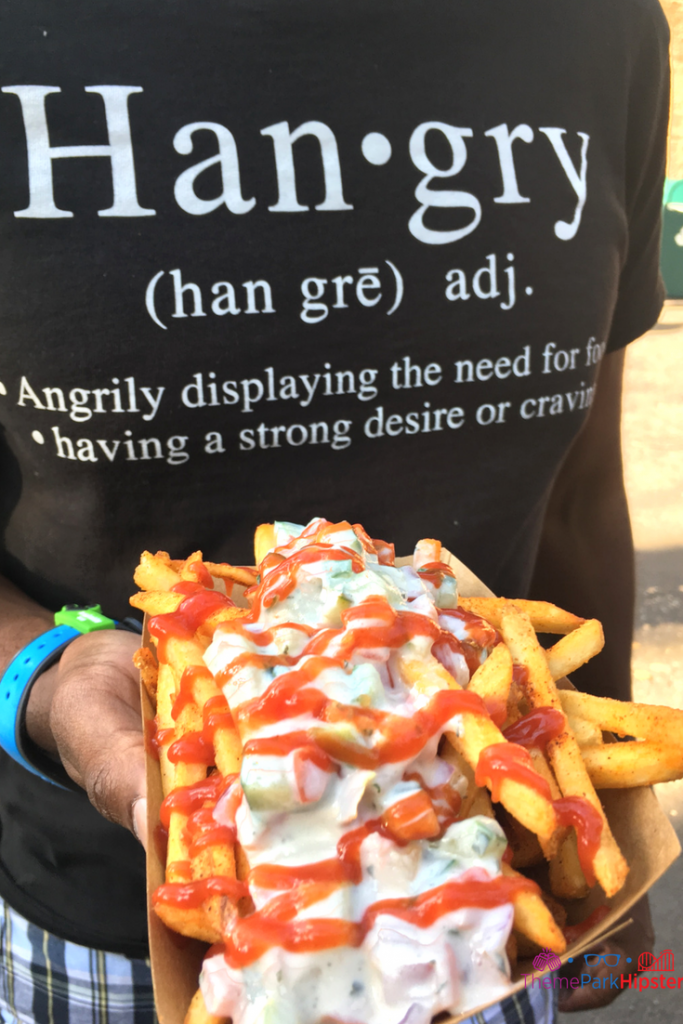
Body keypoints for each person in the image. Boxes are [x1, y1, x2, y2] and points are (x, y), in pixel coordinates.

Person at [0, 1, 670, 1021]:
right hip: (120, 940)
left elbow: (577, 488)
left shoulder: (597, 27)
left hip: (489, 916)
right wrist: (39, 676)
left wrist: (601, 857)